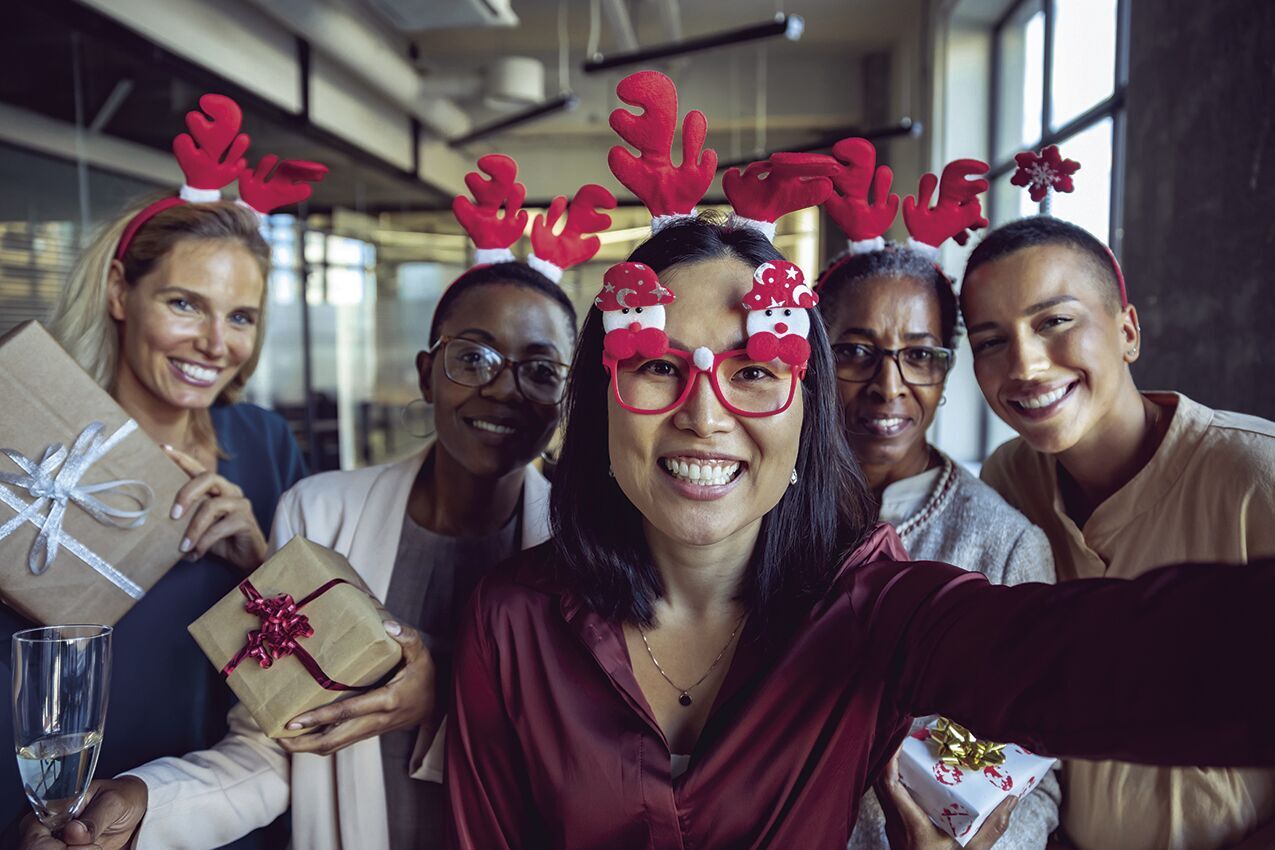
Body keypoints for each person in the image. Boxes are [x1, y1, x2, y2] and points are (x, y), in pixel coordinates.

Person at [21, 156, 606, 850]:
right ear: (427, 373)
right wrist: (148, 803)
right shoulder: (320, 512)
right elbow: (271, 744)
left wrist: (444, 691)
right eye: (471, 358)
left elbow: (602, 751)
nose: (503, 389)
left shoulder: (596, 552)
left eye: (541, 372)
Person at [960, 214, 1275, 850]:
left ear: (1128, 331)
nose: (1024, 363)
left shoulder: (1255, 476)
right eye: (990, 340)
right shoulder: (1008, 482)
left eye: (1054, 321)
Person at [817, 240, 1059, 850]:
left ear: (946, 370)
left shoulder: (1004, 545)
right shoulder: (762, 513)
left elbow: (1044, 775)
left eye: (919, 356)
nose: (887, 386)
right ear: (814, 357)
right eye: (853, 352)